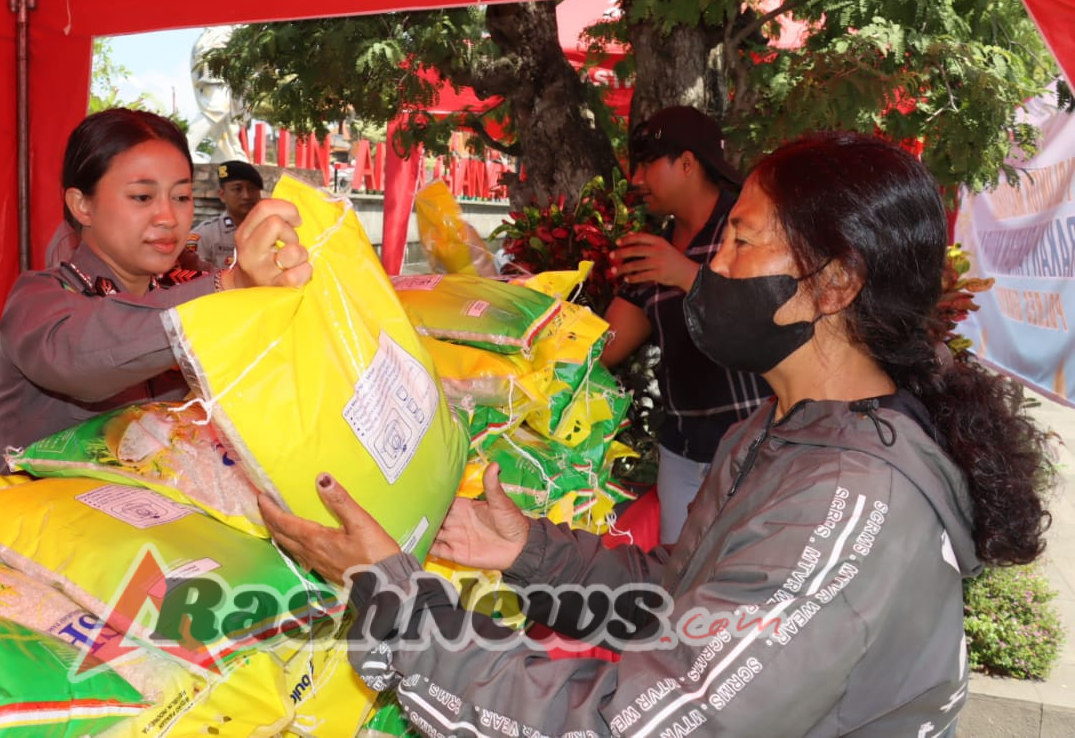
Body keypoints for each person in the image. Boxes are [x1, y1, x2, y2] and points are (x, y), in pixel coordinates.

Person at [260, 131, 1053, 736]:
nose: (712, 269)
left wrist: (397, 606)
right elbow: (686, 596)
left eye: (742, 241)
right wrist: (530, 552)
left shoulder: (846, 502)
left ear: (834, 282)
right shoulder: (772, 433)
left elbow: (634, 723)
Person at [0, 108, 310, 471]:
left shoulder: (188, 284)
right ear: (82, 205)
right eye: (142, 197)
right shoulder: (38, 300)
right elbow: (80, 357)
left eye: (181, 197)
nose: (168, 218)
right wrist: (233, 285)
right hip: (63, 523)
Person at [602, 106, 769, 544]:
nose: (636, 179)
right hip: (681, 451)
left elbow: (769, 318)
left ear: (688, 163)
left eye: (646, 164)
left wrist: (685, 274)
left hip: (754, 446)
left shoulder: (749, 227)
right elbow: (607, 347)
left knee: (747, 580)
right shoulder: (652, 245)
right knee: (683, 582)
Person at [185, 159, 264, 269]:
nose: (246, 196)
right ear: (222, 195)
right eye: (237, 189)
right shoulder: (206, 235)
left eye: (252, 188)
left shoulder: (270, 230)